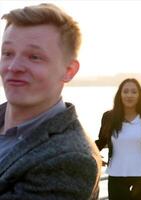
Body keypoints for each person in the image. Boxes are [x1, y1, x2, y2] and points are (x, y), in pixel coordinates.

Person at [0, 3, 101, 199]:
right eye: (7, 53)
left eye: (34, 56)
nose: (14, 66)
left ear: (69, 71)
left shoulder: (71, 161)